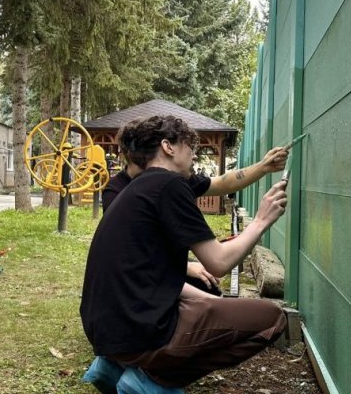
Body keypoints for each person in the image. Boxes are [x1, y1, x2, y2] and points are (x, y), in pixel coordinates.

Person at [80, 115, 289, 394]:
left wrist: (212, 305)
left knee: (209, 301)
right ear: (167, 146)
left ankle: (118, 365)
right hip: (138, 333)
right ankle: (153, 379)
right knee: (273, 318)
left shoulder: (133, 189)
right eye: (189, 145)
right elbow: (218, 262)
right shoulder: (169, 185)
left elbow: (151, 273)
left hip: (106, 333)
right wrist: (261, 221)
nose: (194, 154)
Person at [101, 120, 289, 293]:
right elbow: (129, 255)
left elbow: (223, 182)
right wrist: (187, 268)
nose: (194, 154)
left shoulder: (172, 179)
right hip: (142, 277)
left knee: (209, 287)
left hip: (158, 268)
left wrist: (263, 166)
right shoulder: (121, 191)